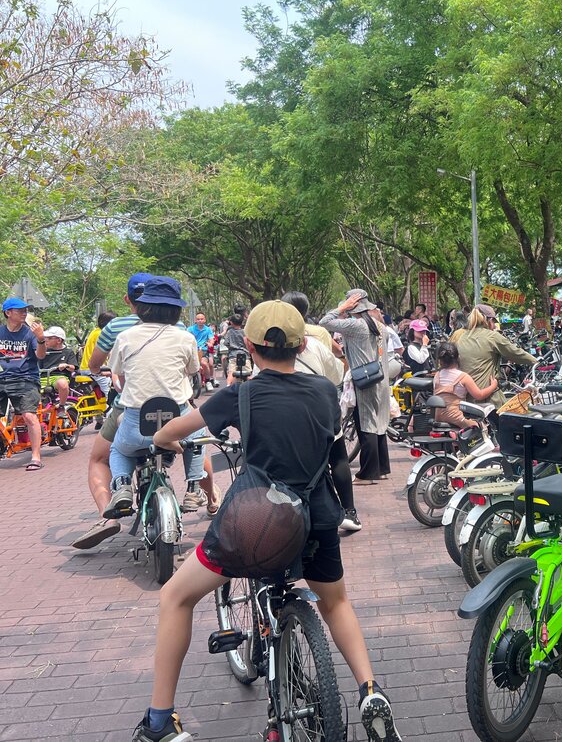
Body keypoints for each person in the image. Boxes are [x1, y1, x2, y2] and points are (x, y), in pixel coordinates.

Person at [131, 300, 401, 742]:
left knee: (175, 598)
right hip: (316, 517)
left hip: (256, 522)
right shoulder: (325, 391)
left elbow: (172, 431)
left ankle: (161, 720)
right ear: (301, 344)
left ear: (251, 347)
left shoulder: (240, 395)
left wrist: (163, 439)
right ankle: (371, 689)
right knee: (335, 603)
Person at [105, 277, 202, 499]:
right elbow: (192, 370)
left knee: (119, 448)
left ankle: (121, 486)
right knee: (197, 433)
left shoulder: (125, 337)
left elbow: (118, 373)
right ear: (175, 311)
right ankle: (194, 489)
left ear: (142, 306)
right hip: (176, 421)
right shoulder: (186, 338)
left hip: (137, 423)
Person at [284, 296, 361, 534]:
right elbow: (337, 375)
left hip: (285, 412)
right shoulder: (317, 336)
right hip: (320, 409)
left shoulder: (271, 337)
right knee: (337, 456)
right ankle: (349, 511)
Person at [320, 289, 394, 483]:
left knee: (366, 424)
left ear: (353, 306)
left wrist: (342, 308)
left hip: (365, 381)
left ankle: (367, 474)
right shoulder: (380, 326)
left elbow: (324, 322)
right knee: (378, 423)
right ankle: (382, 468)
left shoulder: (356, 326)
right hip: (381, 380)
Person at [454, 304, 537, 404]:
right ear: (487, 320)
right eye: (493, 322)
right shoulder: (492, 336)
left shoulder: (462, 337)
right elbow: (516, 353)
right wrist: (536, 361)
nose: (494, 326)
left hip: (465, 399)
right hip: (487, 398)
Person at [0, 297, 47, 470]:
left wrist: (41, 339)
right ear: (8, 313)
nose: (24, 313)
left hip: (26, 378)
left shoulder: (29, 333)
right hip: (2, 378)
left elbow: (41, 356)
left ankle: (35, 457)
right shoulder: (0, 332)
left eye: (25, 310)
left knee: (28, 415)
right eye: (20, 310)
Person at [432, 342, 498, 428]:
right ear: (458, 358)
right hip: (456, 417)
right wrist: (493, 386)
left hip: (438, 416)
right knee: (481, 428)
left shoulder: (437, 375)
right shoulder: (463, 377)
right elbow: (479, 395)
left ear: (440, 361)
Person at [81, 311, 116, 399]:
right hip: (92, 369)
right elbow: (108, 353)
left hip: (84, 368)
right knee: (110, 393)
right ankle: (109, 409)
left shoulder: (95, 331)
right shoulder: (102, 334)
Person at [40, 326, 78, 404]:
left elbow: (73, 367)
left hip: (59, 377)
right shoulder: (43, 351)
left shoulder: (68, 352)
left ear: (59, 340)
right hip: (42, 377)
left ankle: (61, 406)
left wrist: (66, 365)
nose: (46, 340)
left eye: (49, 338)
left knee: (62, 384)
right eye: (45, 338)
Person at [187, 312, 215, 390]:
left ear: (205, 320)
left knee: (204, 363)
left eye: (201, 319)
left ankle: (208, 381)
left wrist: (210, 343)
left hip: (203, 350)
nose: (200, 320)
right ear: (195, 320)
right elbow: (186, 337)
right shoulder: (190, 329)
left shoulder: (208, 330)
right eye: (198, 319)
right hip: (192, 350)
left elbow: (211, 339)